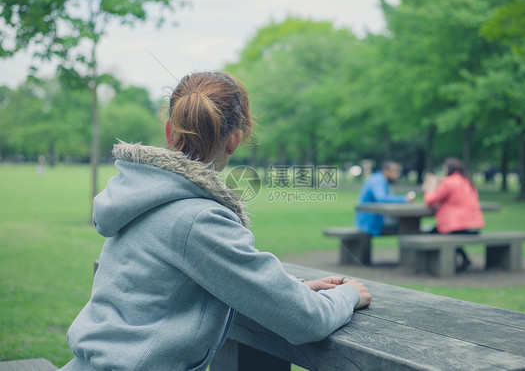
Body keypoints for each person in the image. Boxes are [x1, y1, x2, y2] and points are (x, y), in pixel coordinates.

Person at [61, 71, 371, 371]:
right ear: (234, 140)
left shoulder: (138, 194)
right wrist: (349, 294)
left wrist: (296, 288)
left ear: (169, 130)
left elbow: (211, 279)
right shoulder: (199, 219)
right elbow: (306, 321)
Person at [422, 157, 484, 271]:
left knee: (432, 233)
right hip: (475, 226)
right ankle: (464, 258)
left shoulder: (449, 182)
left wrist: (430, 188)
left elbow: (430, 200)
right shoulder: (467, 181)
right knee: (444, 233)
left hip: (458, 225)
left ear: (448, 169)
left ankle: (436, 265)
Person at [355, 160, 415, 236]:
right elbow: (381, 198)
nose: (397, 174)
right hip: (369, 225)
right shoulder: (378, 180)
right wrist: (404, 199)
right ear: (385, 170)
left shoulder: (379, 179)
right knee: (408, 226)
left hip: (372, 221)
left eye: (398, 171)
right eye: (394, 171)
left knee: (407, 224)